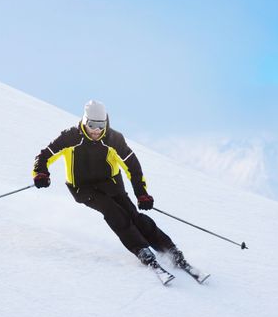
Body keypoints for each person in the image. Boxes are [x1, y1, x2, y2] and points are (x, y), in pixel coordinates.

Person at [32, 100, 186, 269]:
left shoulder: (114, 139)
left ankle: (170, 250)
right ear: (84, 121)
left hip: (111, 184)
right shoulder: (70, 137)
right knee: (113, 211)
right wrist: (41, 173)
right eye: (92, 125)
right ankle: (142, 250)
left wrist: (141, 193)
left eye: (100, 125)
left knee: (133, 215)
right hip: (83, 187)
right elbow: (44, 155)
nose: (96, 131)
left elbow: (132, 166)